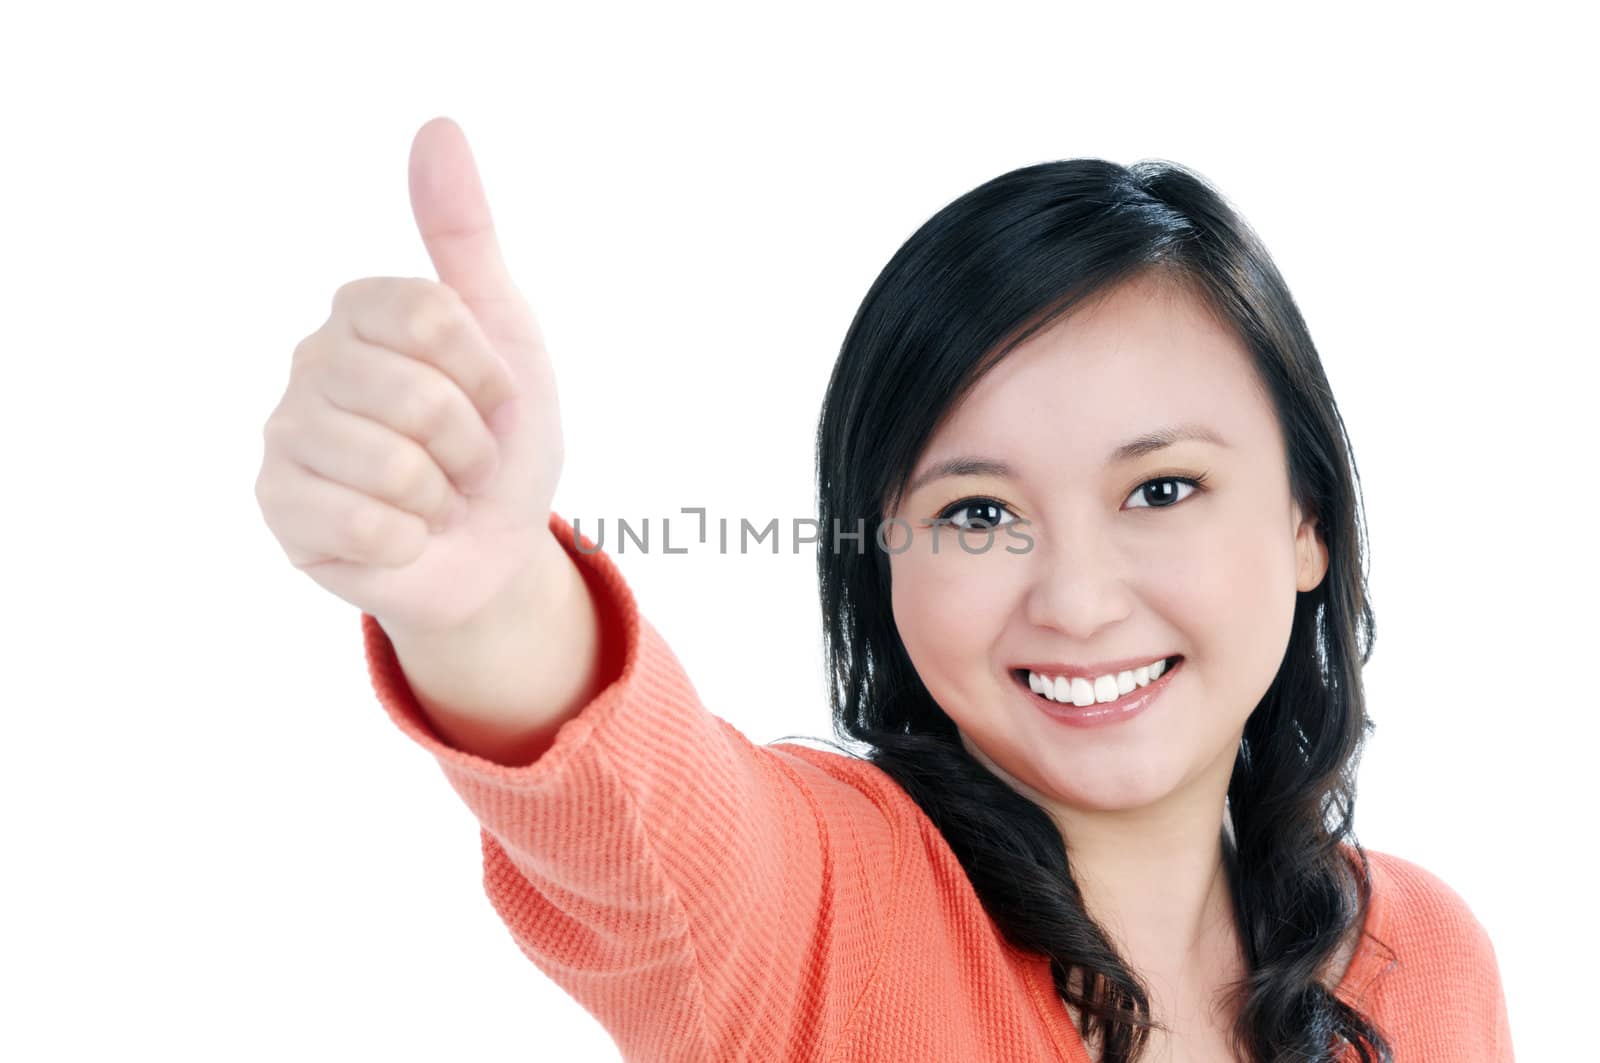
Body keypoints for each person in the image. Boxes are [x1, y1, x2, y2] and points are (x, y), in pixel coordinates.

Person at [255, 117, 1514, 1062]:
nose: (1076, 600)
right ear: (882, 560)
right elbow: (654, 828)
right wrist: (482, 596)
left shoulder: (1420, 961)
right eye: (977, 512)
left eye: (1161, 489)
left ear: (1307, 523)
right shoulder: (828, 911)